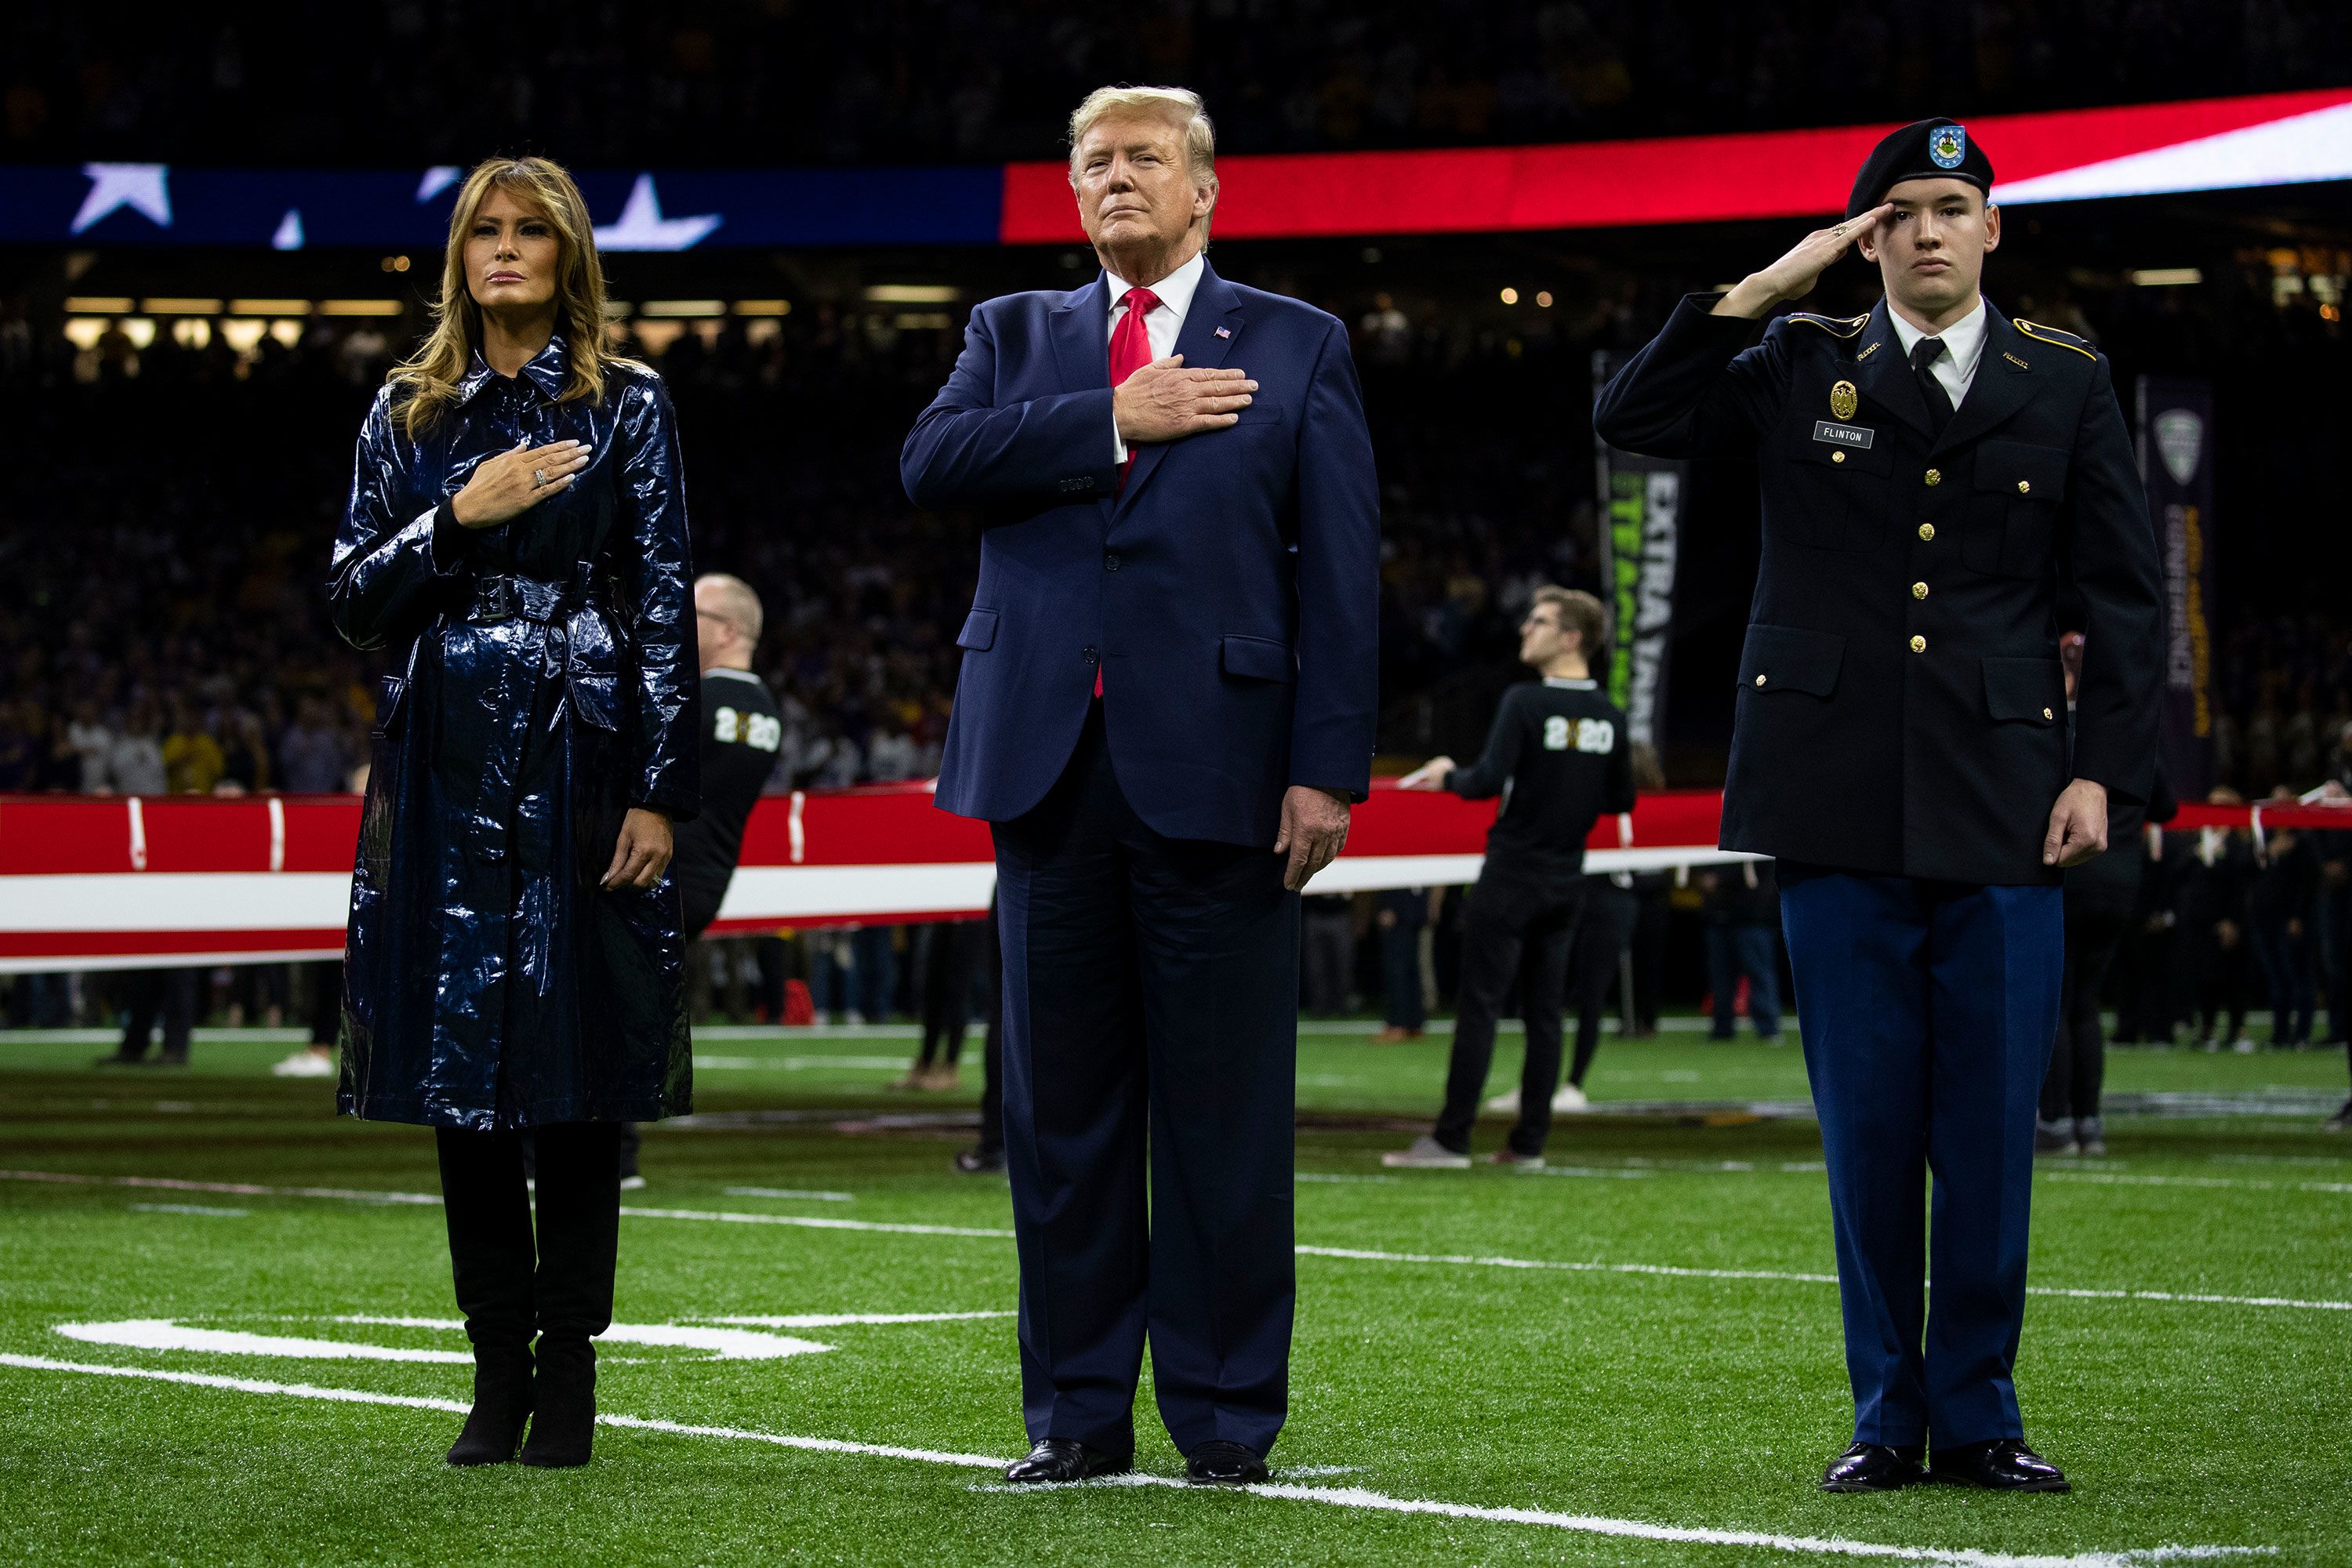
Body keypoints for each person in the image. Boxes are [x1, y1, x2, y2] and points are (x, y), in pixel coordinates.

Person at [1595, 118, 2163, 1494]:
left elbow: (2125, 595)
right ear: (1866, 238)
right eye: (1896, 211)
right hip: (1832, 792)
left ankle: (1978, 1414)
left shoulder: (2065, 379)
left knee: (1984, 1135)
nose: (1924, 230)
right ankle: (1883, 1418)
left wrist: (2106, 771)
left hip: (2007, 796)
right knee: (1867, 1133)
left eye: (1949, 207)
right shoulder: (1796, 362)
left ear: (1991, 230)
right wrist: (1765, 288)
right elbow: (1631, 418)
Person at [901, 85, 1377, 1486]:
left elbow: (1341, 581)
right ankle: (1077, 1417)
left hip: (1224, 777)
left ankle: (1229, 1421)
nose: (1118, 179)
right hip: (1047, 777)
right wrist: (1112, 417)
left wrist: (1324, 771)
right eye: (1095, 162)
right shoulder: (1013, 335)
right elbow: (930, 465)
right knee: (1060, 1122)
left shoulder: (1299, 345)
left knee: (1225, 1116)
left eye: (1145, 159)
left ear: (1205, 189)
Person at [328, 157, 699, 1471]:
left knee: (578, 1074)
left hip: (587, 752)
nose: (504, 249)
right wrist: (454, 518)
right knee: (459, 1069)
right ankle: (495, 1372)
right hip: (444, 758)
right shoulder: (406, 411)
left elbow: (664, 605)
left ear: (568, 254)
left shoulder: (629, 406)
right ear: (458, 257)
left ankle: (568, 1374)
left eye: (529, 231)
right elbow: (350, 600)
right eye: (484, 230)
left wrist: (661, 790)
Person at [1384, 587, 1634, 1168]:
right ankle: (1529, 1145)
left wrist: (1448, 772)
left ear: (1572, 638)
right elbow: (1621, 797)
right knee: (1546, 1015)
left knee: (1481, 1008)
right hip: (1567, 879)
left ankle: (1451, 1139)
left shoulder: (1525, 702)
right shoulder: (1611, 717)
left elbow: (1485, 782)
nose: (1525, 628)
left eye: (1540, 621)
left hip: (1512, 874)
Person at [2039, 635, 2178, 1156]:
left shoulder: (2053, 730)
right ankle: (2089, 1121)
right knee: (2085, 1004)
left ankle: (2054, 1122)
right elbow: (2164, 806)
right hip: (2120, 884)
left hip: (2069, 877)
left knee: (2056, 1002)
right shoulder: (2128, 733)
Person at [1697, 860, 1783, 1042]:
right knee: (1721, 977)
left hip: (1752, 917)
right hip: (1720, 917)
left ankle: (1768, 1027)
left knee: (1759, 974)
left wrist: (1719, 880)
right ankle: (1722, 1027)